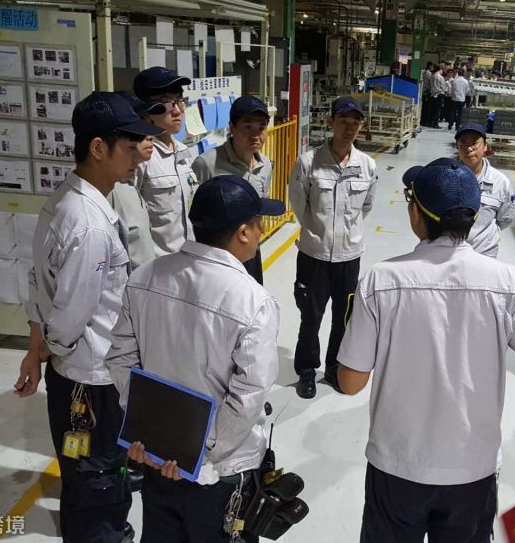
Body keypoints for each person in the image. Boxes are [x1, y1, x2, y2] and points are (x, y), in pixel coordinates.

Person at [336, 158, 515, 543]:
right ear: (474, 218)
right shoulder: (511, 283)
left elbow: (351, 383)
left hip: (397, 467)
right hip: (472, 471)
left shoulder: (381, 280)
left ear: (416, 213)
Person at [15, 91, 164, 542]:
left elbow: (38, 283)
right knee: (99, 482)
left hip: (75, 374)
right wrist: (50, 349)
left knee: (84, 480)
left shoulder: (67, 200)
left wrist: (37, 348)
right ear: (98, 148)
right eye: (130, 145)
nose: (139, 154)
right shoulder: (91, 225)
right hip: (91, 381)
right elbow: (71, 314)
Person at [106, 175, 284, 543]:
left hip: (157, 460)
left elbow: (121, 359)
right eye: (257, 222)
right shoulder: (254, 303)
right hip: (220, 473)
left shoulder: (145, 277)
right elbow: (248, 397)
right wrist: (197, 454)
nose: (260, 230)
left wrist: (153, 435)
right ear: (243, 232)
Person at [288, 96, 378, 399]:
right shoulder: (308, 162)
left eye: (355, 123)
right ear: (331, 122)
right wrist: (320, 232)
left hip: (349, 258)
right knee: (310, 317)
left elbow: (366, 206)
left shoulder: (367, 166)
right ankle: (306, 371)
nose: (349, 129)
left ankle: (333, 368)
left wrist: (344, 234)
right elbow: (300, 206)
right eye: (343, 122)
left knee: (344, 317)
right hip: (313, 255)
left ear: (361, 126)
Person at [192, 95, 273, 283]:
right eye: (248, 126)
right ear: (232, 127)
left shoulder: (265, 165)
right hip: (217, 258)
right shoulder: (207, 164)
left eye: (261, 127)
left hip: (251, 253)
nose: (255, 134)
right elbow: (195, 215)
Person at [133, 66, 199, 255]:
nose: (177, 111)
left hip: (188, 261)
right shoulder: (140, 157)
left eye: (179, 101)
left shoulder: (183, 152)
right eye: (167, 103)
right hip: (158, 267)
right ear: (146, 109)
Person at [109, 92, 166, 270]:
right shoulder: (109, 188)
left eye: (149, 123)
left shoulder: (127, 181)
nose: (149, 135)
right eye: (139, 125)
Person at [454, 123, 515, 257]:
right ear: (457, 148)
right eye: (463, 143)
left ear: (485, 146)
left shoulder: (501, 182)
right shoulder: (447, 178)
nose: (469, 148)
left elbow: (505, 219)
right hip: (452, 253)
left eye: (474, 143)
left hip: (485, 254)